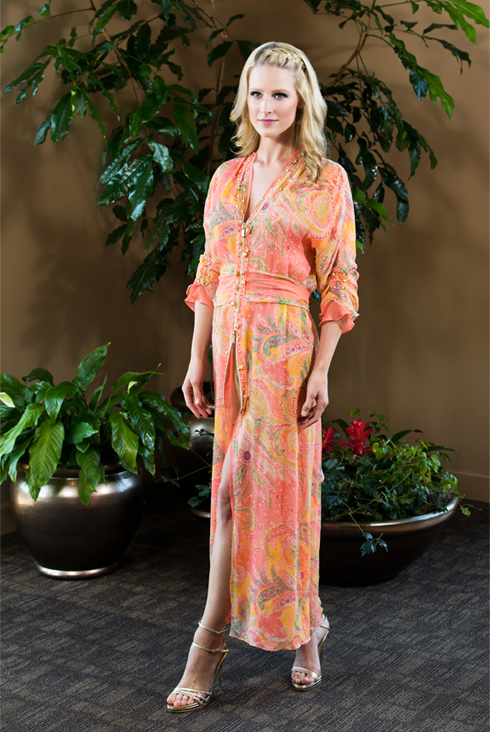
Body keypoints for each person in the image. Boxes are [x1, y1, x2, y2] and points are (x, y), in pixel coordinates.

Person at [167, 40, 359, 713]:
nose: (267, 105)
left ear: (302, 100)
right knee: (245, 496)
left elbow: (339, 282)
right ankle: (308, 631)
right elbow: (211, 271)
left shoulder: (326, 181)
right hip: (228, 350)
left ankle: (208, 646)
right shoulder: (227, 176)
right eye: (256, 93)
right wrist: (196, 357)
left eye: (280, 93)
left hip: (285, 354)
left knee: (257, 494)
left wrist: (321, 370)